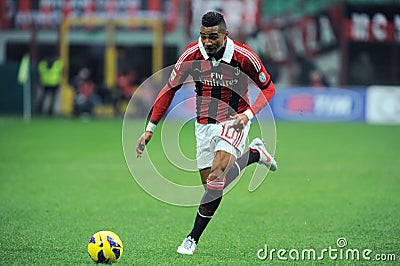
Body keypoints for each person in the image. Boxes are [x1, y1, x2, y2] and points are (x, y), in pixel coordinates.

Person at [135, 11, 278, 255]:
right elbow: (170, 89)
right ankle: (254, 154)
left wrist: (248, 115)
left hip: (234, 120)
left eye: (213, 37)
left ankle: (191, 239)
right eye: (203, 36)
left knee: (215, 181)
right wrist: (150, 128)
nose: (207, 42)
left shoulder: (244, 57)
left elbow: (269, 88)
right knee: (213, 187)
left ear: (225, 34)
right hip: (203, 125)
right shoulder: (191, 55)